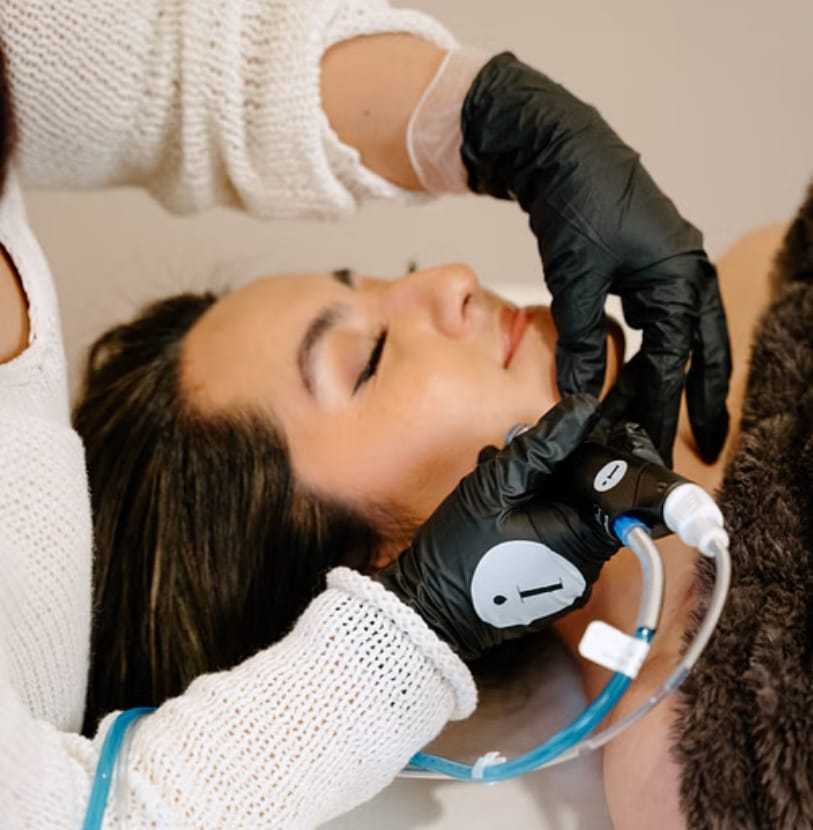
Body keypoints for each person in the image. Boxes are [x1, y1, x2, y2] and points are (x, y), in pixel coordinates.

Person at [0, 1, 733, 826]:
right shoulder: (696, 754)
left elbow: (113, 61)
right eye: (371, 360)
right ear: (379, 573)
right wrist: (412, 629)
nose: (453, 277)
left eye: (392, 276)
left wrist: (488, 110)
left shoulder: (747, 282)